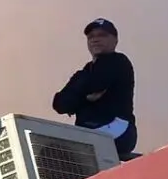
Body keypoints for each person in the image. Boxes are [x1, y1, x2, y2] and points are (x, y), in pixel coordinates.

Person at [53, 18, 139, 159]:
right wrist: (85, 96)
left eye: (102, 35)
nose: (95, 40)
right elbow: (59, 104)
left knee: (61, 151)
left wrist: (76, 99)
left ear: (115, 40)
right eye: (91, 37)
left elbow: (96, 84)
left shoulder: (118, 61)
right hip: (89, 131)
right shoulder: (85, 71)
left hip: (118, 131)